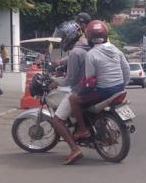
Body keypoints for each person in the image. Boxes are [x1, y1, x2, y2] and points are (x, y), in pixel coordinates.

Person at [68, 20, 130, 158]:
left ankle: (83, 130)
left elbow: (90, 79)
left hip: (103, 91)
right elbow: (126, 70)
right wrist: (122, 85)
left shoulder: (91, 54)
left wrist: (79, 91)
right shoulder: (116, 50)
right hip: (119, 90)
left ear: (89, 37)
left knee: (73, 99)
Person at [49, 15, 92, 163]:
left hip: (80, 89)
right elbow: (79, 55)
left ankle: (74, 149)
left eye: (63, 38)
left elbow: (70, 80)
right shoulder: (87, 45)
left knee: (57, 120)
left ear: (69, 38)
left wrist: (56, 82)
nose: (62, 41)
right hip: (93, 86)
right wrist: (61, 60)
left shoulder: (75, 53)